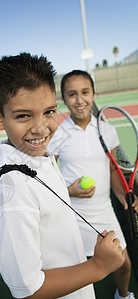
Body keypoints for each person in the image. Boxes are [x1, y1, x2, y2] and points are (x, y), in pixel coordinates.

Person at [0, 53, 125, 299]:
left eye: (49, 111)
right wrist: (98, 266)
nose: (41, 127)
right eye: (23, 115)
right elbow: (28, 290)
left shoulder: (41, 157)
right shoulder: (15, 185)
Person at [47, 70, 138, 299]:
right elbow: (47, 180)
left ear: (94, 94)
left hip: (105, 214)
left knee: (123, 265)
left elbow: (111, 171)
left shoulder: (108, 130)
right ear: (64, 100)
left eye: (85, 92)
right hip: (71, 217)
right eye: (72, 94)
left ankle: (123, 295)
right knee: (77, 276)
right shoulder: (57, 134)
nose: (79, 100)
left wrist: (123, 198)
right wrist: (70, 191)